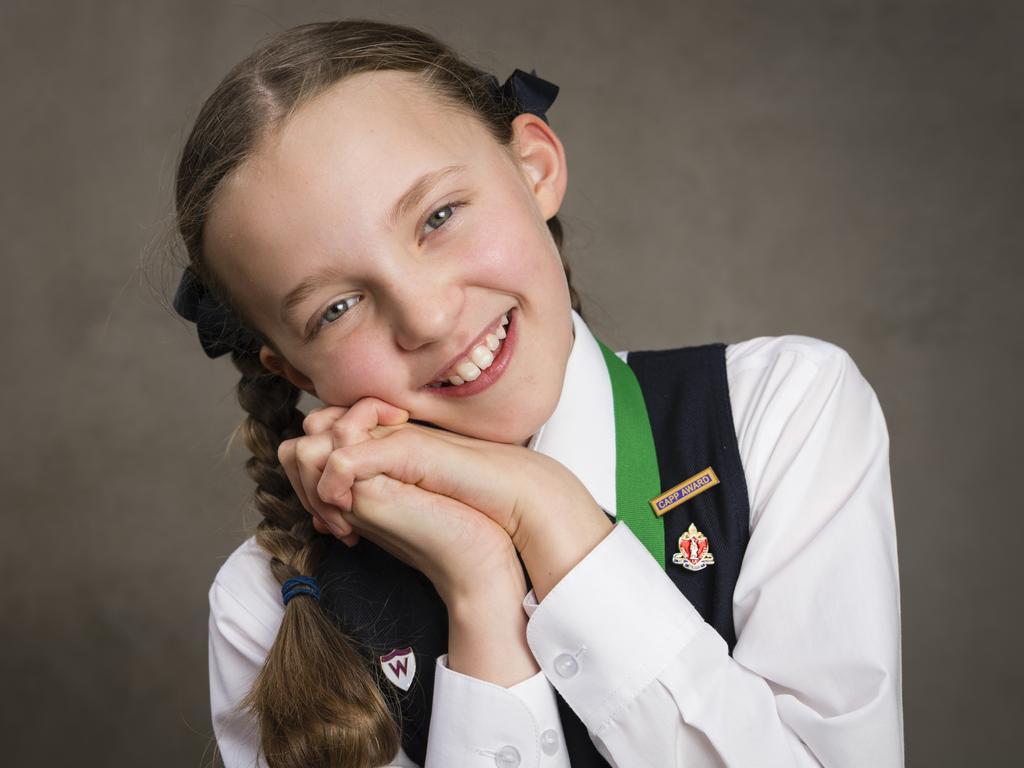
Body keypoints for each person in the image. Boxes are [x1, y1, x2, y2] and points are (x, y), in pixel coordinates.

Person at [168, 19, 904, 768]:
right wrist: (479, 590)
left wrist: (544, 508)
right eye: (336, 307)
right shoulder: (268, 604)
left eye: (439, 217)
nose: (426, 316)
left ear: (534, 167)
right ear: (295, 371)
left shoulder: (777, 413)